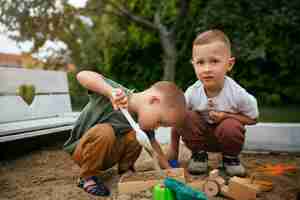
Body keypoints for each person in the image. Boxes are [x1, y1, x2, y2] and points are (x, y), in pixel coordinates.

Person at [63, 71, 186, 196]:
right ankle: (87, 177)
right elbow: (82, 75)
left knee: (134, 136)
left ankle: (125, 171)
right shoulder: (118, 94)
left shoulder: (141, 122)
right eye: (160, 122)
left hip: (108, 156)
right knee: (105, 131)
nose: (157, 127)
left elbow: (155, 149)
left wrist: (169, 171)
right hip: (83, 152)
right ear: (154, 101)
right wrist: (109, 91)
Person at [167, 29, 259, 177]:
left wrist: (226, 116)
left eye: (214, 61)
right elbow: (177, 121)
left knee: (231, 125)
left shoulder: (238, 94)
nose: (207, 69)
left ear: (229, 64)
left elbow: (253, 119)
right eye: (200, 62)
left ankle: (230, 159)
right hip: (199, 140)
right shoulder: (192, 92)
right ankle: (199, 156)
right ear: (193, 65)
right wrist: (173, 149)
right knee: (185, 115)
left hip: (227, 140)